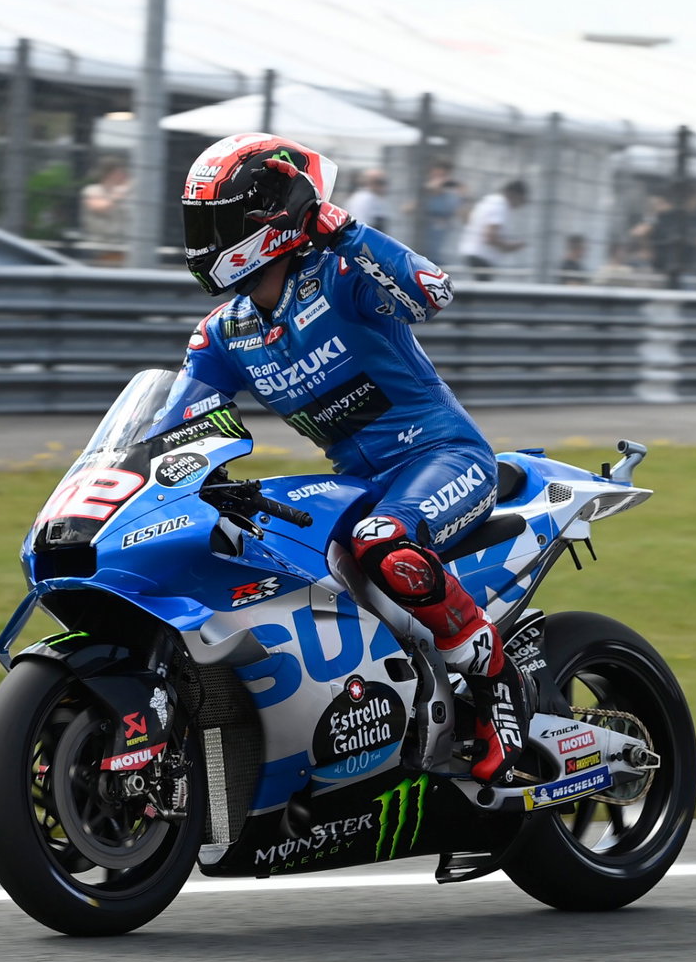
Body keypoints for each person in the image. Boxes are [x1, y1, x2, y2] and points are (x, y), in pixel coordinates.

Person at [177, 132, 529, 785]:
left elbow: (434, 293)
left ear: (270, 216)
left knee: (382, 541)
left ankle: (494, 682)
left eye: (215, 221)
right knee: (278, 555)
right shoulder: (223, 335)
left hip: (445, 459)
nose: (202, 238)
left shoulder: (342, 277)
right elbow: (177, 425)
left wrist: (343, 232)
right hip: (359, 483)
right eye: (197, 221)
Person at [457, 180, 528, 281]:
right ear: (516, 195)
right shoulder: (501, 205)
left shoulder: (489, 200)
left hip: (471, 254)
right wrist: (511, 246)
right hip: (481, 258)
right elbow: (490, 237)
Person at [79, 160, 131, 265]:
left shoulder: (126, 194)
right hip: (99, 247)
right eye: (120, 172)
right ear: (110, 174)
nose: (125, 175)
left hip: (121, 247)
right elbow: (100, 207)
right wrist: (120, 194)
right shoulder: (92, 190)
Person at [343, 169, 391, 233]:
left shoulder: (375, 198)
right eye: (380, 183)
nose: (384, 187)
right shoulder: (363, 199)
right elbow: (359, 225)